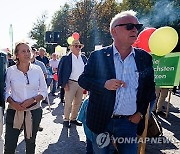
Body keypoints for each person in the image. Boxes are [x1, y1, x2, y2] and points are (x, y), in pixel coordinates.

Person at [78, 10, 155, 154]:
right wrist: (104, 84)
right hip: (101, 121)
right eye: (129, 26)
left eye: (137, 27)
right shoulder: (98, 56)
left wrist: (140, 113)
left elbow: (149, 90)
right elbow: (83, 80)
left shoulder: (144, 58)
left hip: (129, 123)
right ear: (114, 31)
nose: (134, 30)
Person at [4, 42, 48, 154]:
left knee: (30, 143)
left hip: (34, 111)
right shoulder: (10, 71)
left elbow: (43, 91)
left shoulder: (37, 69)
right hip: (14, 112)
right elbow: (5, 91)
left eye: (28, 51)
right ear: (17, 55)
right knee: (10, 145)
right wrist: (13, 103)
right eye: (23, 51)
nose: (27, 53)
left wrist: (32, 100)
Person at [57, 39, 87, 128]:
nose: (78, 48)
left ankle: (73, 119)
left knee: (78, 102)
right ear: (71, 47)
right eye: (76, 46)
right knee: (68, 103)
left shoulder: (83, 58)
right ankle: (66, 119)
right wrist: (63, 84)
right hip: (70, 82)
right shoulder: (66, 58)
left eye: (79, 46)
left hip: (81, 83)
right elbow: (60, 71)